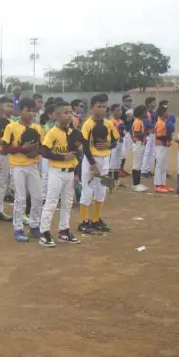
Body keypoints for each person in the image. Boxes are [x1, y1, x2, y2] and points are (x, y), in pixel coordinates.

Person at [38, 101, 81, 247]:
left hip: (69, 172)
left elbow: (76, 153)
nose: (69, 115)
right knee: (51, 202)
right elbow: (44, 151)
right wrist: (63, 157)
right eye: (65, 112)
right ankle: (44, 232)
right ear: (56, 115)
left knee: (67, 203)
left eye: (70, 112)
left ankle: (64, 231)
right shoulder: (52, 132)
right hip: (56, 172)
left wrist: (75, 173)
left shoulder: (72, 133)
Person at [2, 97, 43, 242]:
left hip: (32, 165)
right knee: (20, 198)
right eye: (28, 110)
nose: (31, 113)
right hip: (17, 166)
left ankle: (34, 226)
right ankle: (18, 228)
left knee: (38, 197)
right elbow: (4, 148)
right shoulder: (11, 127)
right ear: (20, 111)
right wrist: (22, 149)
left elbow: (42, 146)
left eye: (33, 110)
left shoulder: (37, 127)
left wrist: (35, 152)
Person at [77, 94, 116, 234]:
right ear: (92, 108)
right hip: (91, 160)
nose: (102, 109)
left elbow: (115, 141)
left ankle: (96, 219)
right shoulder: (87, 125)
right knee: (87, 190)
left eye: (104, 106)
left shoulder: (109, 124)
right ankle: (83, 221)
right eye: (99, 106)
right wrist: (93, 165)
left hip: (105, 159)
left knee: (101, 191)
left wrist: (109, 144)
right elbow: (86, 147)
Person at [152, 105, 174, 193]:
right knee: (159, 165)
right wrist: (168, 137)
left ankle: (163, 184)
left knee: (164, 166)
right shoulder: (160, 123)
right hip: (160, 146)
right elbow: (158, 136)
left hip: (164, 146)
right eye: (167, 111)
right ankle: (158, 185)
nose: (168, 113)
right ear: (163, 113)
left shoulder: (164, 121)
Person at [130, 105, 150, 192]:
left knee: (139, 164)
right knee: (137, 164)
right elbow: (136, 133)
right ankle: (136, 184)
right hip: (138, 144)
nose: (146, 113)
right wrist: (145, 132)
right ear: (141, 113)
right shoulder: (138, 122)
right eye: (145, 112)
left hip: (139, 143)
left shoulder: (139, 121)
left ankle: (138, 183)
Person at [108, 104, 124, 187]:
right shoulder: (110, 121)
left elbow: (122, 132)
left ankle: (116, 180)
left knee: (118, 161)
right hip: (113, 143)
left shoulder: (121, 121)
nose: (120, 112)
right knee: (112, 162)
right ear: (112, 111)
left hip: (120, 143)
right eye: (117, 110)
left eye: (120, 110)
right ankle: (110, 181)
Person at [119, 94, 133, 176]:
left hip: (129, 132)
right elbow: (121, 120)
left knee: (126, 151)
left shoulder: (131, 110)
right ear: (123, 101)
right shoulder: (121, 110)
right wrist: (128, 119)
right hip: (123, 132)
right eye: (127, 101)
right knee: (122, 152)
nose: (129, 102)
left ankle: (122, 168)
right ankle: (119, 169)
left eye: (130, 100)